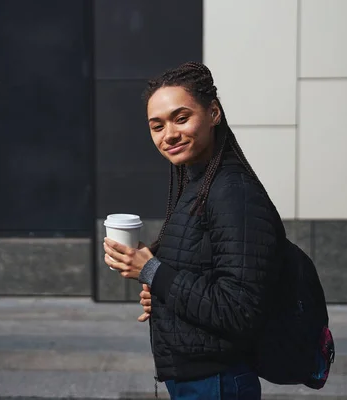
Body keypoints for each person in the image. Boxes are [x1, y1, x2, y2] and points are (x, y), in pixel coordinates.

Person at [103, 62, 286, 400]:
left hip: (217, 381)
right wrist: (159, 291)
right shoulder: (197, 185)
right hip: (196, 377)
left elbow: (239, 309)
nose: (168, 134)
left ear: (213, 113)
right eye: (157, 126)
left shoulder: (233, 192)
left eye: (181, 118)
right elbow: (203, 278)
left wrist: (151, 270)